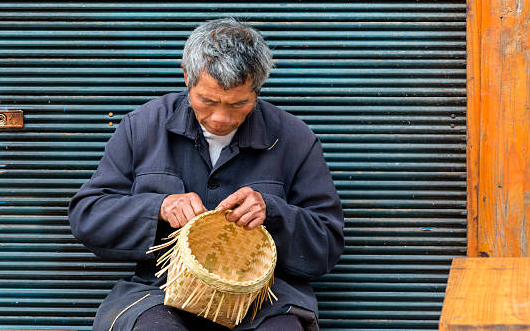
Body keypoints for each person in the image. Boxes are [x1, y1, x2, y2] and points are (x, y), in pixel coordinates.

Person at [68, 18, 344, 331]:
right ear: (187, 76)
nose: (221, 118)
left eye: (239, 104)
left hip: (264, 301)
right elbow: (87, 215)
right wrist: (159, 207)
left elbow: (327, 244)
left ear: (258, 88)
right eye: (207, 101)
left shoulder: (294, 138)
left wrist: (273, 212)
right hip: (160, 293)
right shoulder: (143, 126)